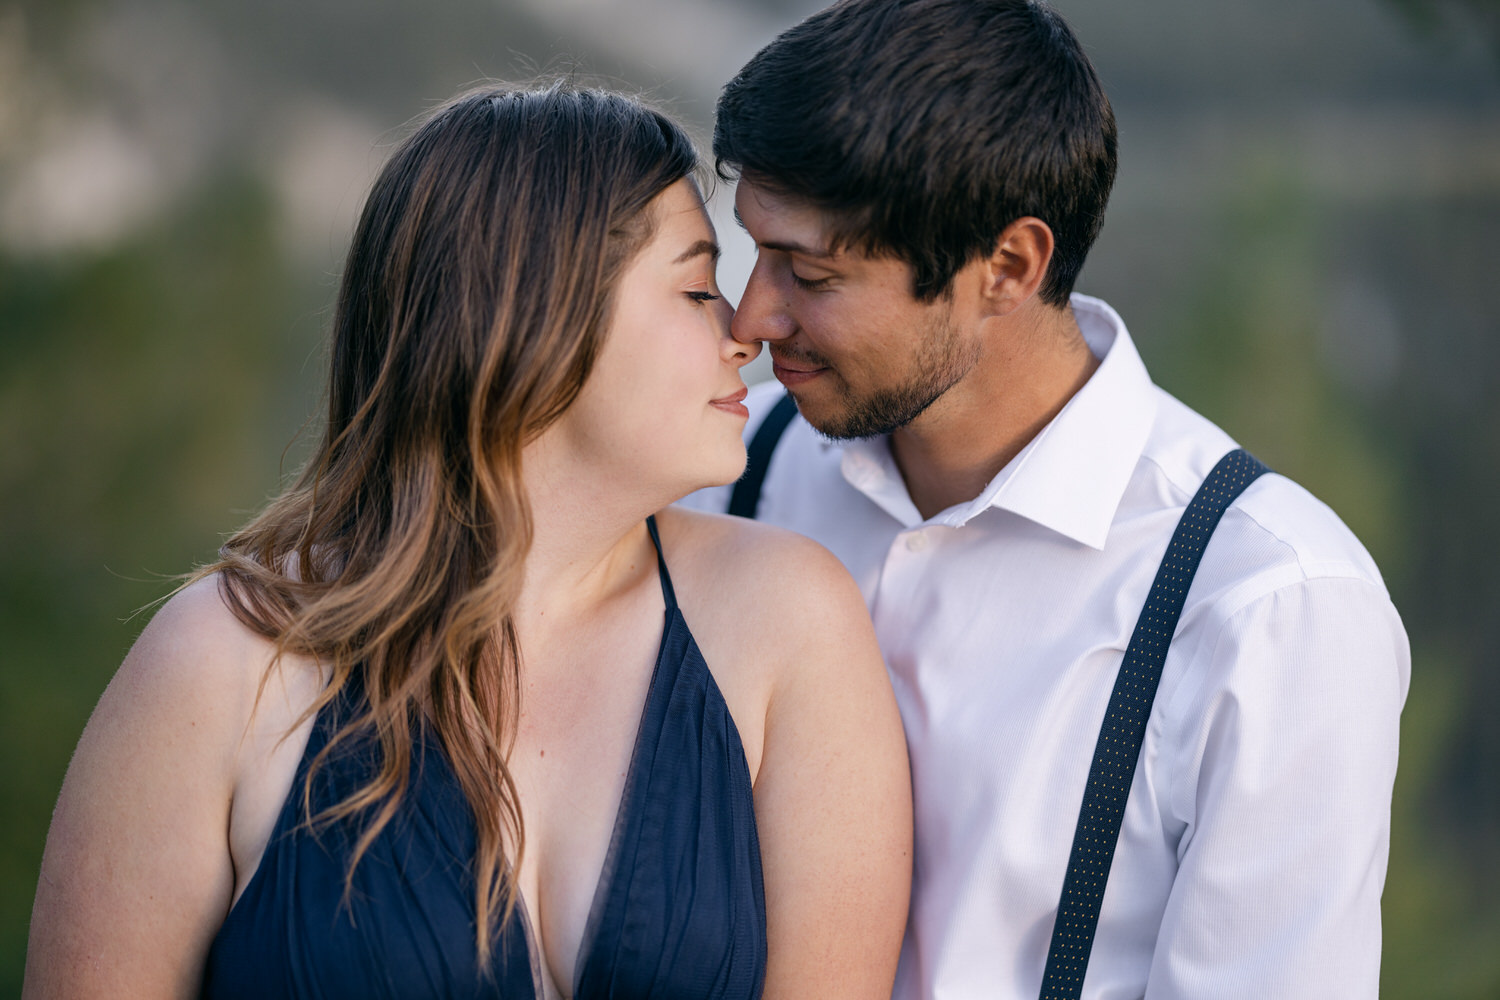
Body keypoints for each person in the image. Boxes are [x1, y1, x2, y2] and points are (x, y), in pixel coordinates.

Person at [22, 85, 911, 1000]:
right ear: (533, 315)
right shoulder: (225, 662)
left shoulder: (787, 625)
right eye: (695, 289)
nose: (744, 336)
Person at [681, 1, 1410, 997]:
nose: (756, 314)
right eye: (753, 252)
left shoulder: (1269, 604)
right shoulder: (722, 474)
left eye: (809, 273)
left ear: (1009, 266)